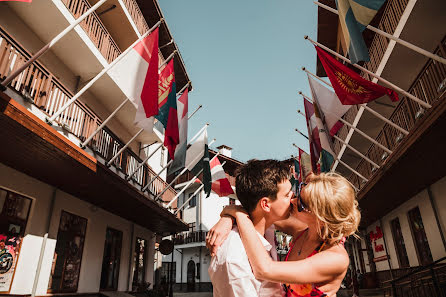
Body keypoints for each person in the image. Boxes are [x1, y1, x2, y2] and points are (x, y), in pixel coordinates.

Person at [207, 172, 361, 297]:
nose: (293, 201)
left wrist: (238, 214)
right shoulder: (303, 231)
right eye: (299, 192)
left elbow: (265, 270)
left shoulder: (335, 258)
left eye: (301, 203)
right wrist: (227, 217)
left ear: (321, 218)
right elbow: (261, 212)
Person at [207, 159, 294, 297]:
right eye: (287, 195)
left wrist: (232, 212)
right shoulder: (234, 258)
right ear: (265, 205)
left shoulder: (268, 228)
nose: (293, 199)